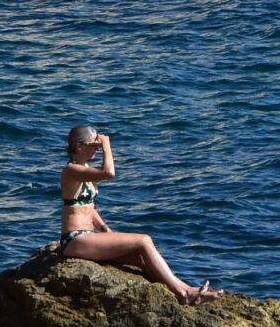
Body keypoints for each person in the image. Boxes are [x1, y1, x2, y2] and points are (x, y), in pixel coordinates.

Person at [60, 126, 218, 303]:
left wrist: (105, 229)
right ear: (79, 146)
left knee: (141, 259)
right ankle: (184, 294)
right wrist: (107, 146)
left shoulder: (85, 169)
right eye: (93, 146)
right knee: (144, 241)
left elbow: (87, 207)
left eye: (98, 146)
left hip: (88, 237)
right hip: (74, 240)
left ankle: (187, 289)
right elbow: (109, 173)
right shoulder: (71, 171)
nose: (97, 149)